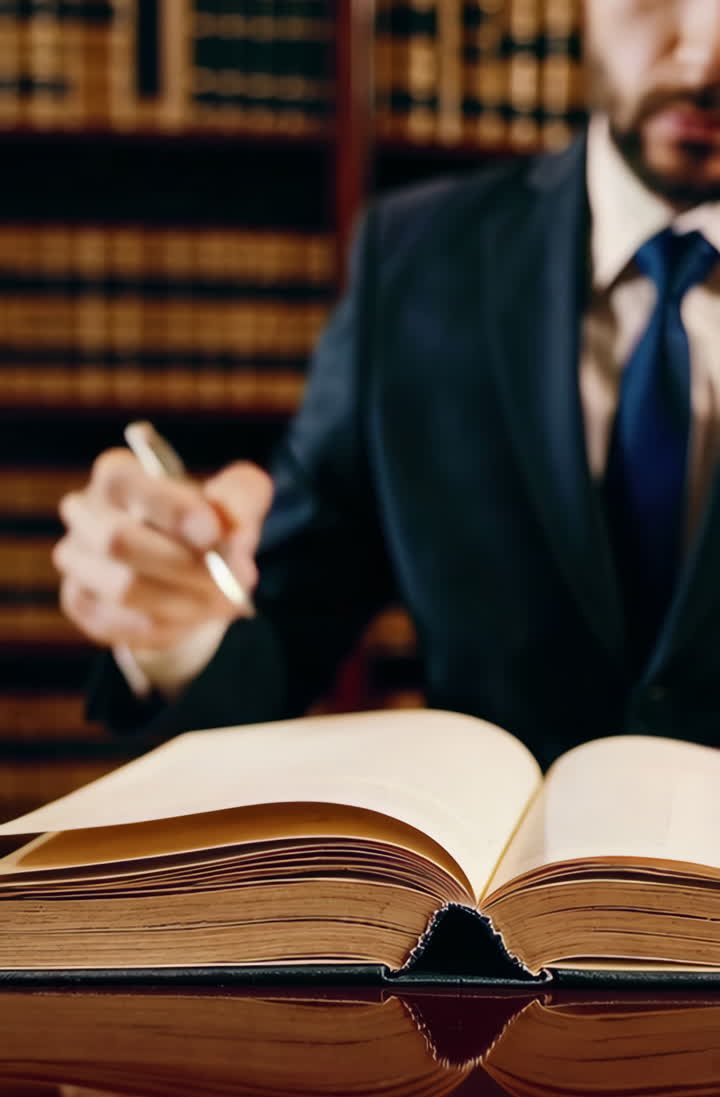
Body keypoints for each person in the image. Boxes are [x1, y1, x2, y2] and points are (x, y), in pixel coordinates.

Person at [54, 0, 720, 770]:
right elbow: (282, 631)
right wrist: (176, 621)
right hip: (493, 886)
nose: (703, 55)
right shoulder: (411, 262)